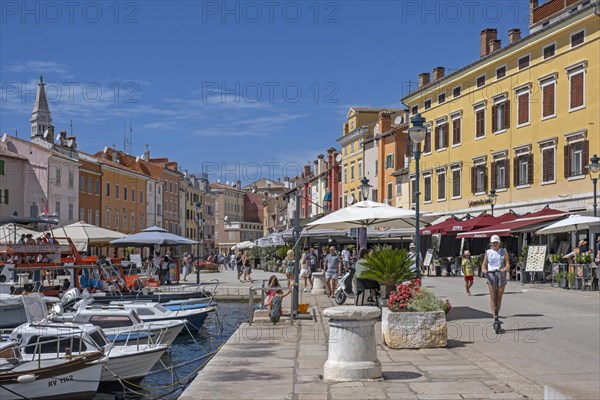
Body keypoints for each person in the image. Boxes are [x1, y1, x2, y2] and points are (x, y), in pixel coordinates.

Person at [481, 235, 510, 323]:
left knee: (499, 296)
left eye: (496, 242)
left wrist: (505, 268)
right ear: (491, 243)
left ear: (499, 243)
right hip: (491, 274)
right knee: (493, 296)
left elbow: (507, 263)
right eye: (493, 242)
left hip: (500, 273)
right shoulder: (488, 252)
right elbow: (484, 264)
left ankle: (497, 314)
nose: (495, 244)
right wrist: (484, 270)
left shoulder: (503, 251)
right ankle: (495, 317)